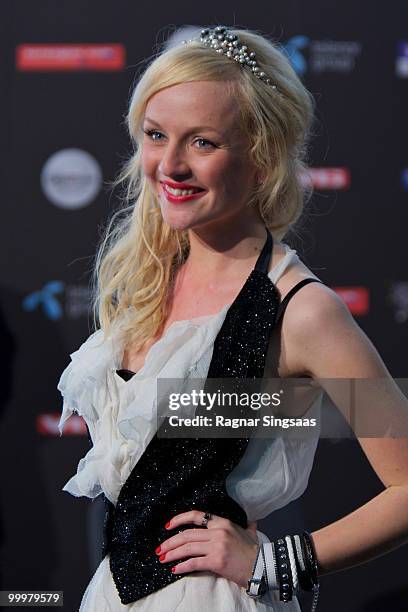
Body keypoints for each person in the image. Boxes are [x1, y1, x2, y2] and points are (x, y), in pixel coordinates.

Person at [58, 25, 408, 611]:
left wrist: (278, 561)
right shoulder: (148, 279)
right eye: (155, 135)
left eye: (202, 143)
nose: (169, 164)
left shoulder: (303, 310)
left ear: (263, 159)